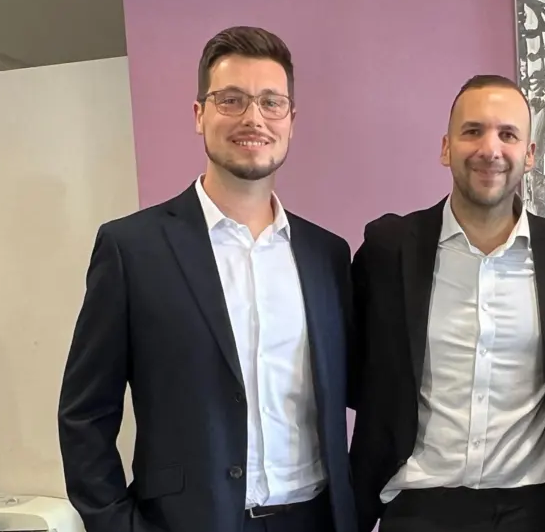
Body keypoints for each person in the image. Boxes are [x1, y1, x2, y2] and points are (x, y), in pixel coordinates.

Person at [57, 26, 355, 532]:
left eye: (270, 103)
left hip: (316, 519)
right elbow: (84, 415)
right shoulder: (133, 249)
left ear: (291, 120)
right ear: (199, 114)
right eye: (231, 100)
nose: (253, 118)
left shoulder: (327, 254)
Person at [347, 74, 545, 532]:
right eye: (472, 131)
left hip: (537, 512)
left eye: (508, 134)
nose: (490, 149)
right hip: (421, 509)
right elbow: (355, 368)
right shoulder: (389, 249)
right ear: (446, 148)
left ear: (530, 155)